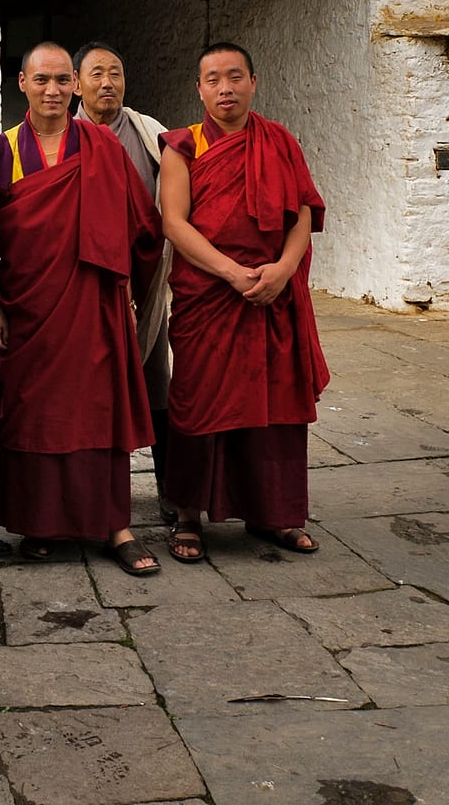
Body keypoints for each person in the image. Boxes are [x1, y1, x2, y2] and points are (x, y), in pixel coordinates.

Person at [0, 43, 165, 574]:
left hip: (93, 304)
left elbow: (141, 228)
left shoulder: (103, 147)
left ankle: (116, 526)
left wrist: (131, 293)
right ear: (22, 83)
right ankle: (41, 523)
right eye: (42, 80)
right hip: (26, 305)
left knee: (96, 414)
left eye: (63, 80)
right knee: (33, 414)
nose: (53, 90)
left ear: (76, 87)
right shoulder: (1, 151)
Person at [158, 42, 330, 563]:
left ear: (254, 81)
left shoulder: (280, 141)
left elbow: (302, 212)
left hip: (272, 294)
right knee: (195, 402)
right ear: (199, 89)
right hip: (210, 294)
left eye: (235, 77)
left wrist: (282, 270)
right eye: (213, 79)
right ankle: (188, 515)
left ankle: (275, 515)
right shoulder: (182, 146)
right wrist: (232, 273)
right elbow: (173, 222)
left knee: (275, 410)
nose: (225, 89)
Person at [71, 41, 176, 523]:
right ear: (77, 83)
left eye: (115, 72)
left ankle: (172, 494)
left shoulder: (148, 132)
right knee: (89, 398)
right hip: (83, 291)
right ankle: (93, 500)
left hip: (144, 286)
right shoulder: (63, 136)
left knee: (157, 389)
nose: (107, 82)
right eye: (96, 74)